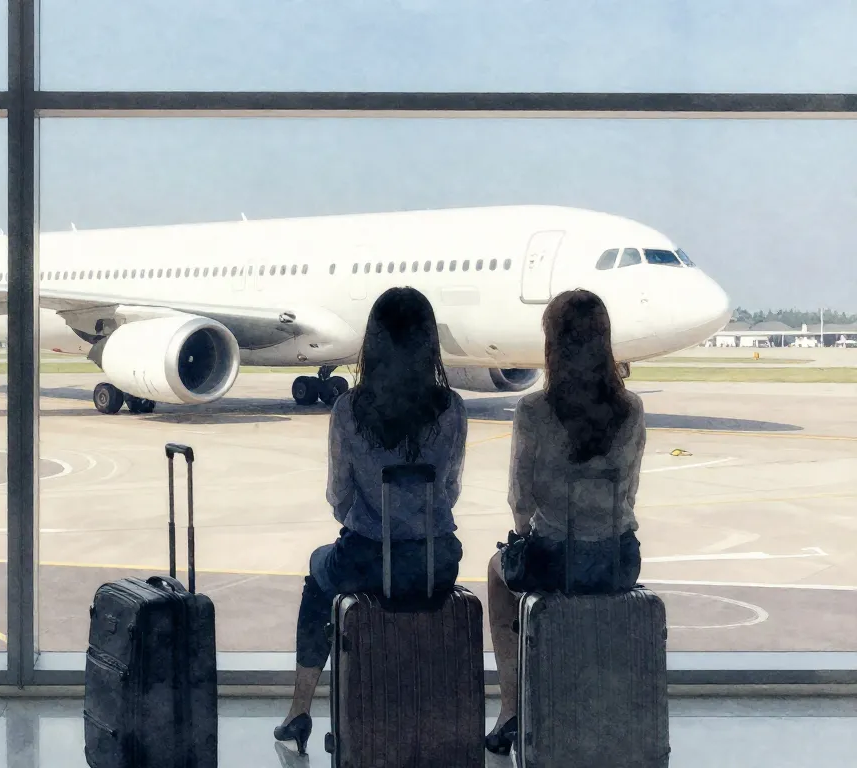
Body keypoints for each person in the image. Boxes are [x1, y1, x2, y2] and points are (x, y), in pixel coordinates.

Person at [273, 286, 468, 755]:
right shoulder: (452, 408)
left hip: (366, 559)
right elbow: (450, 492)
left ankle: (300, 709)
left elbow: (339, 497)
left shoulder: (348, 410)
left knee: (318, 577)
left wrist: (367, 520)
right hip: (435, 562)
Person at [484, 289, 646, 756]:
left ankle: (513, 709)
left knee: (499, 574)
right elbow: (629, 491)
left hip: (555, 559)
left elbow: (520, 497)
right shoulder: (631, 408)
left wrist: (522, 537)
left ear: (552, 344)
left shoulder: (535, 409)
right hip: (617, 560)